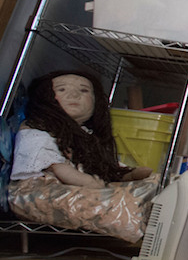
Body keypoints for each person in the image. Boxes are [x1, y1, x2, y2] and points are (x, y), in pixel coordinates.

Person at [9, 70, 156, 243]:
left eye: (84, 91)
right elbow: (57, 167)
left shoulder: (85, 135)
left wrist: (129, 175)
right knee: (114, 200)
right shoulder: (36, 131)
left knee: (158, 182)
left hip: (77, 184)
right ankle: (152, 231)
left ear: (96, 102)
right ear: (45, 98)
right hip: (40, 192)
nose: (74, 94)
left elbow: (103, 167)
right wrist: (89, 183)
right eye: (62, 89)